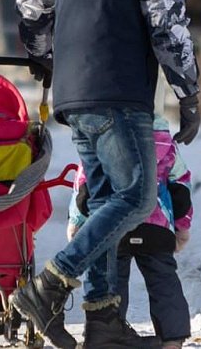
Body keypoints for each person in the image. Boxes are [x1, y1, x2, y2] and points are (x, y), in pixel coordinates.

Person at [10, 0, 201, 349]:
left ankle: (103, 322)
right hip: (120, 92)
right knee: (136, 198)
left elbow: (30, 4)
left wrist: (45, 57)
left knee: (101, 203)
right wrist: (189, 93)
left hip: (78, 95)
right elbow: (168, 20)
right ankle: (50, 284)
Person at [68, 115, 193, 349]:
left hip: (114, 226)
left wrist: (78, 221)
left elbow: (83, 186)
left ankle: (110, 333)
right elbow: (181, 188)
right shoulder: (166, 144)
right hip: (157, 228)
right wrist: (182, 226)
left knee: (111, 282)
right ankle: (172, 339)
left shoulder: (101, 138)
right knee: (163, 281)